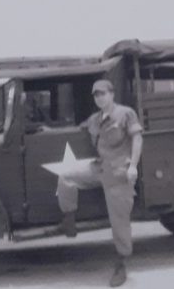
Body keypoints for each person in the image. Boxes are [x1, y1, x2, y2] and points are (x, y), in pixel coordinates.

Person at [56, 79, 143, 287]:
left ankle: (121, 263)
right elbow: (80, 127)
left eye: (103, 93)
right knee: (65, 174)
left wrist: (133, 166)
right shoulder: (94, 119)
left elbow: (137, 138)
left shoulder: (125, 113)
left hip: (119, 171)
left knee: (119, 220)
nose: (99, 97)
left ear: (112, 94)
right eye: (96, 95)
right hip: (100, 167)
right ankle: (69, 219)